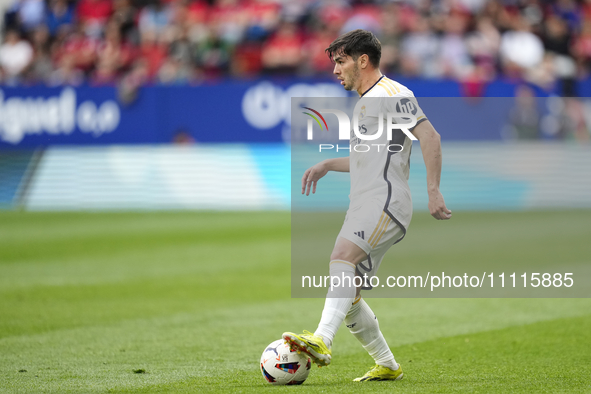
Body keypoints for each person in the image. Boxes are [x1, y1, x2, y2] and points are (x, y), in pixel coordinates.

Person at [283, 29, 452, 382]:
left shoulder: (391, 94)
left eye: (340, 61)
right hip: (367, 201)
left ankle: (322, 340)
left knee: (341, 258)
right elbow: (367, 156)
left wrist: (433, 190)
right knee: (349, 294)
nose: (335, 70)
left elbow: (429, 136)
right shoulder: (366, 101)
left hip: (384, 200)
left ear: (363, 60)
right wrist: (328, 164)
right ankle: (388, 365)